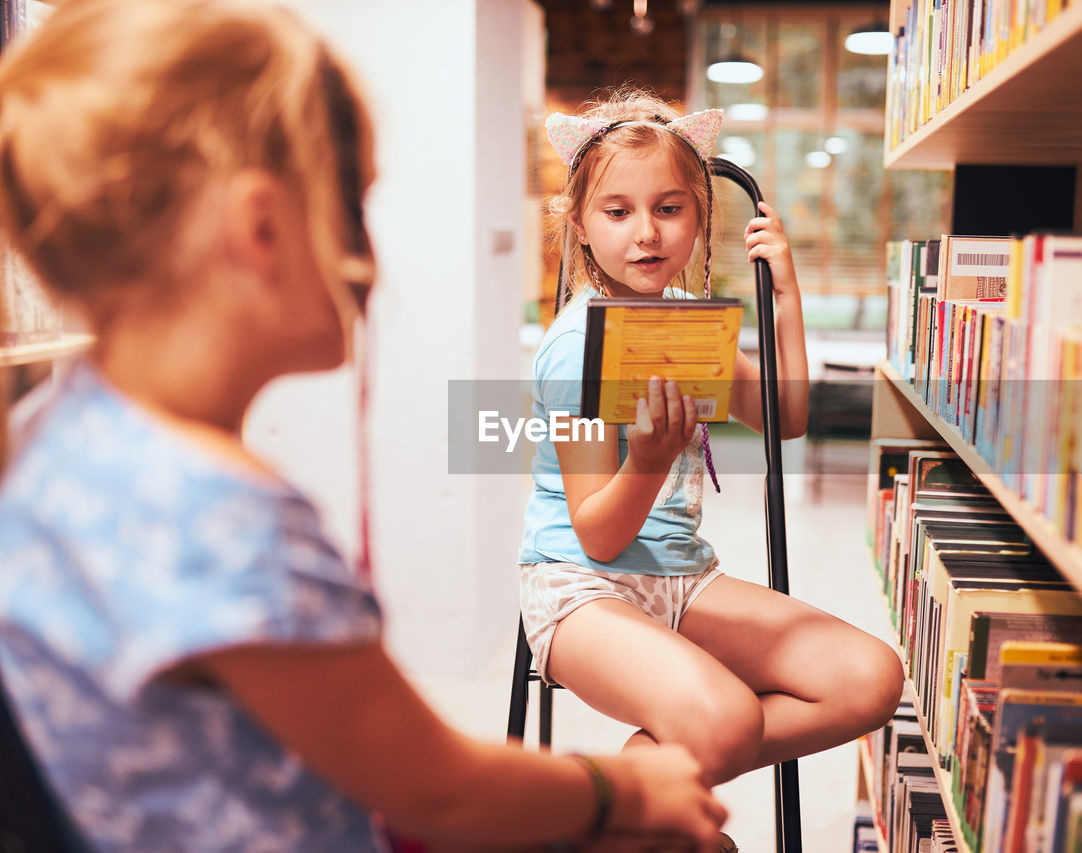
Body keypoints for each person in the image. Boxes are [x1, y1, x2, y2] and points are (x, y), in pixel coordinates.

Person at [0, 2, 728, 851]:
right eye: (357, 204)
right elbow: (442, 792)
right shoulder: (220, 522)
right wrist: (623, 785)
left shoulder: (56, 430)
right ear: (264, 226)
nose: (371, 253)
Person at [518, 88, 906, 818]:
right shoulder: (575, 348)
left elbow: (785, 416)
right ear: (580, 223)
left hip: (681, 581)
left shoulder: (689, 325)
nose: (647, 234)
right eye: (618, 211)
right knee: (726, 719)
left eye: (670, 208)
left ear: (700, 217)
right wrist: (651, 459)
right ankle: (643, 807)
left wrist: (784, 298)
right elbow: (597, 534)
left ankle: (643, 798)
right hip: (581, 590)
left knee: (871, 677)